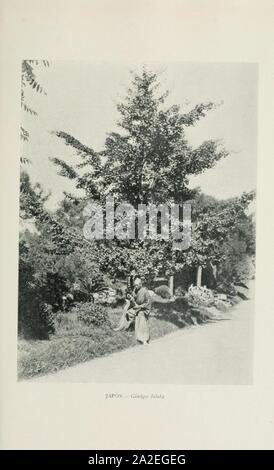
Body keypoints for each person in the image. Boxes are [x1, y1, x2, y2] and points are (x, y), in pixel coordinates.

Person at [114, 276, 152, 345]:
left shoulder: (145, 291)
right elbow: (133, 298)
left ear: (141, 284)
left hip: (143, 310)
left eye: (137, 285)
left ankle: (144, 339)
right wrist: (131, 298)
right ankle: (122, 327)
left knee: (140, 315)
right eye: (135, 285)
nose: (136, 286)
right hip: (136, 307)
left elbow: (148, 303)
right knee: (126, 310)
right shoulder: (135, 290)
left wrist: (139, 306)